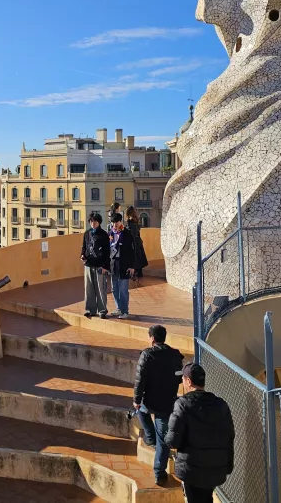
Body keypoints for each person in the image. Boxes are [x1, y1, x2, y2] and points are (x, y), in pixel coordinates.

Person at [165, 363, 235, 503]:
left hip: (191, 470)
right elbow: (229, 436)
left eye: (183, 379)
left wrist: (166, 436)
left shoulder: (182, 404)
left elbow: (172, 441)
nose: (182, 382)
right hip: (215, 467)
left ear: (189, 381)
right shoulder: (221, 404)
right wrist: (227, 465)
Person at [133, 325, 184, 486]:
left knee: (140, 410)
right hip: (167, 402)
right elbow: (178, 376)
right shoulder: (176, 355)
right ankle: (159, 472)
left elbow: (140, 379)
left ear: (152, 338)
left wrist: (136, 399)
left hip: (149, 402)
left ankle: (150, 438)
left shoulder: (146, 355)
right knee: (163, 438)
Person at [81, 212, 111, 319]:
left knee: (100, 288)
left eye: (95, 221)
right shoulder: (87, 233)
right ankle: (90, 309)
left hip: (100, 266)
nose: (93, 223)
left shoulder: (103, 235)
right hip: (88, 264)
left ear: (99, 222)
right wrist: (82, 256)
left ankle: (102, 310)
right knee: (89, 288)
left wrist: (105, 267)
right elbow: (84, 247)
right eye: (91, 221)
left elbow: (107, 252)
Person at [109, 213, 135, 318]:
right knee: (114, 288)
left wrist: (132, 266)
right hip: (113, 264)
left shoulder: (127, 233)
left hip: (124, 264)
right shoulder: (111, 233)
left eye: (117, 222)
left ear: (121, 222)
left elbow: (132, 251)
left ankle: (125, 311)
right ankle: (119, 308)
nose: (115, 224)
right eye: (113, 222)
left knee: (123, 289)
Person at [126, 206, 150, 279]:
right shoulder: (136, 221)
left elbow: (131, 233)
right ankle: (139, 274)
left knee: (135, 258)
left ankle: (135, 275)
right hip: (138, 241)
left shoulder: (130, 222)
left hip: (134, 242)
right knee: (139, 258)